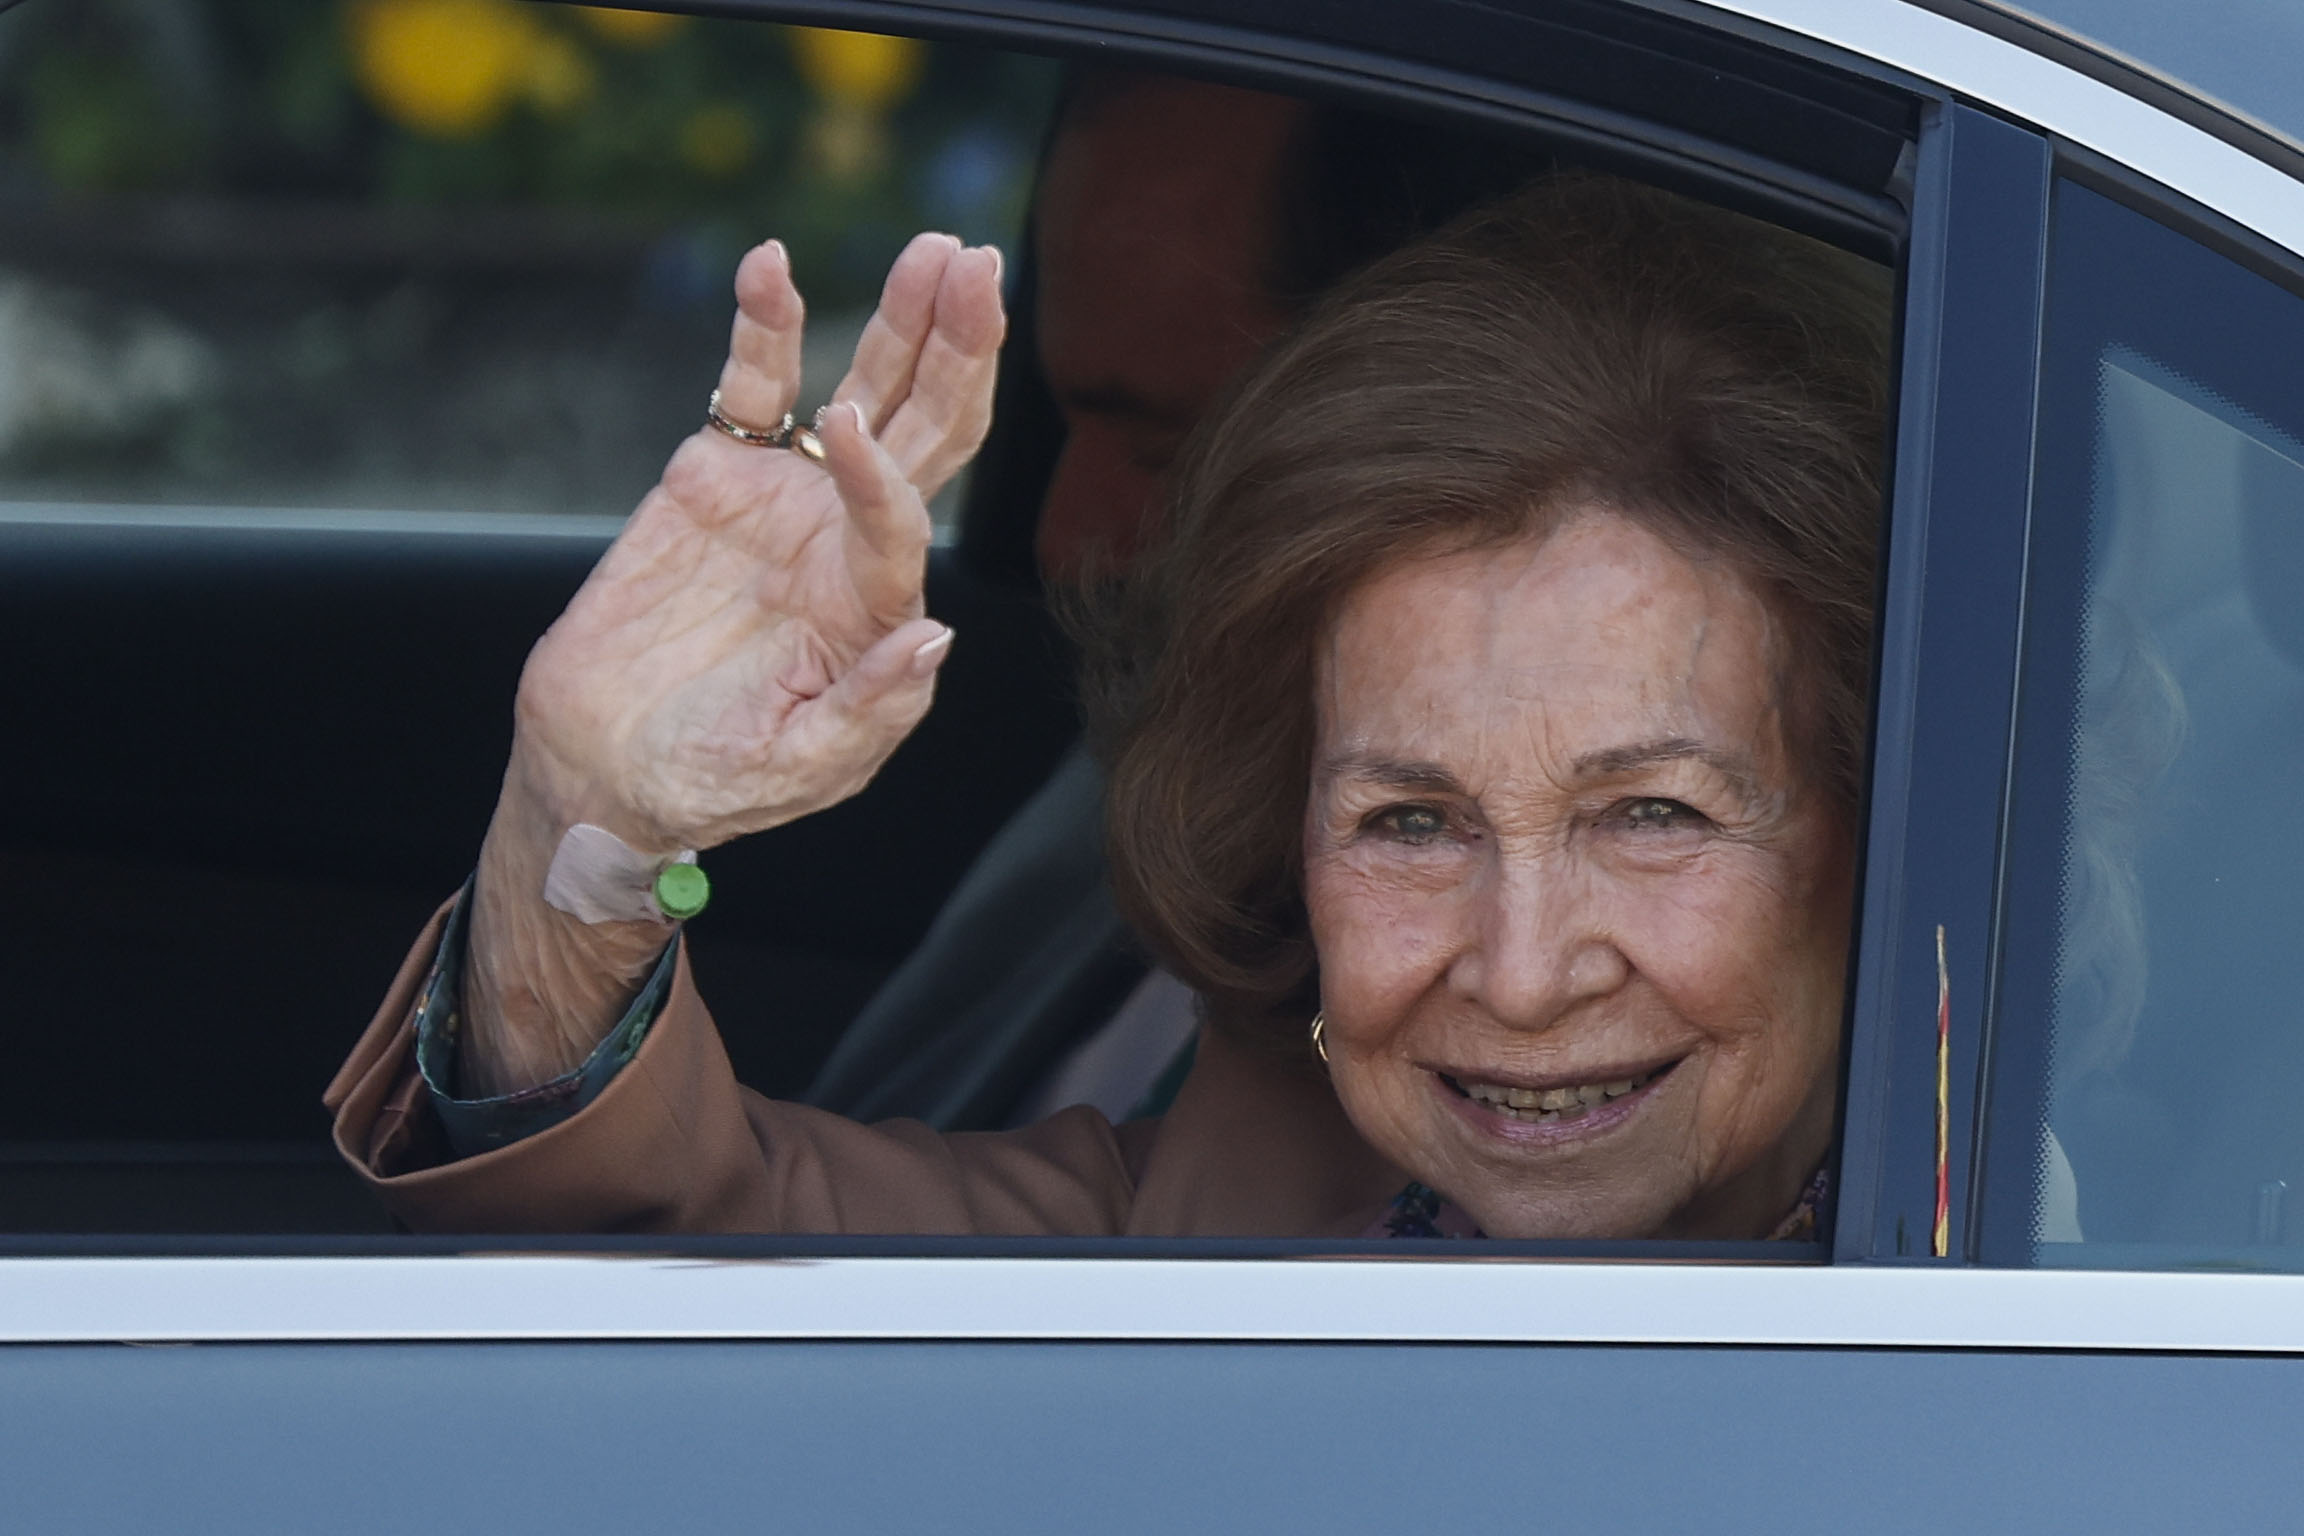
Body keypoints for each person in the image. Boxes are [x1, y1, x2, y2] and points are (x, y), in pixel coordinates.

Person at [328, 174, 1890, 1239]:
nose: (1527, 973)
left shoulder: (2089, 1291)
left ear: (1880, 826)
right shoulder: (1237, 1204)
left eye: (1653, 813)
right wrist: (582, 829)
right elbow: (635, 1265)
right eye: (1409, 821)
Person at [802, 71, 1549, 1131]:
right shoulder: (1174, 786)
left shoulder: (1451, 1001)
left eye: (1166, 450)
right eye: (1066, 422)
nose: (1063, 543)